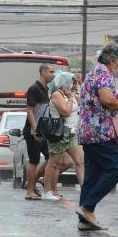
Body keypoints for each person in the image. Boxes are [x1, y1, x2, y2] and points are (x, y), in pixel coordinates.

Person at [76, 43, 118, 230]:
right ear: (112, 60)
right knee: (116, 168)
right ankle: (88, 206)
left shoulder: (92, 73)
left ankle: (85, 219)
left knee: (92, 175)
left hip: (88, 132)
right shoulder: (104, 74)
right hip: (99, 132)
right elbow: (107, 99)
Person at [43, 72, 84, 200]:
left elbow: (86, 102)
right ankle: (47, 191)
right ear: (65, 83)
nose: (73, 86)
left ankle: (85, 189)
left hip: (72, 133)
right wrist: (71, 98)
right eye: (72, 82)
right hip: (59, 133)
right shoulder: (57, 95)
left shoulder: (71, 95)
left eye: (74, 83)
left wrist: (80, 86)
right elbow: (65, 112)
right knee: (54, 163)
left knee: (79, 160)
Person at [22, 63, 56, 200]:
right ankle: (29, 191)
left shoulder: (46, 89)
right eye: (51, 72)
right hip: (33, 131)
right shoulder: (34, 89)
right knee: (34, 160)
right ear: (43, 72)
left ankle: (34, 182)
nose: (53, 74)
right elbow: (30, 109)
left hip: (42, 131)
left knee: (51, 157)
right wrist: (35, 128)